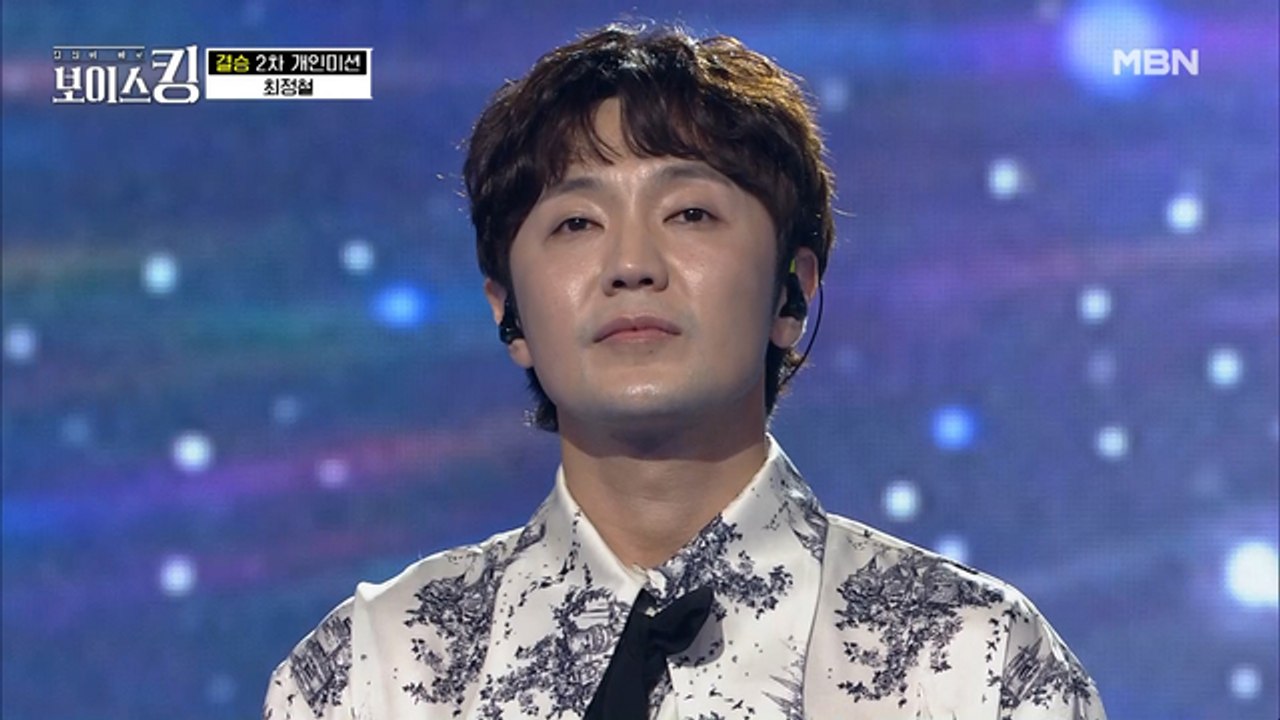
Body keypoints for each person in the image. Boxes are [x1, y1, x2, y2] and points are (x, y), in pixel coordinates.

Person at [263, 22, 1108, 720]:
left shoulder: (973, 663)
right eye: (575, 223)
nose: (632, 265)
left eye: (691, 213)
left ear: (792, 293)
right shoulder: (375, 669)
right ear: (508, 313)